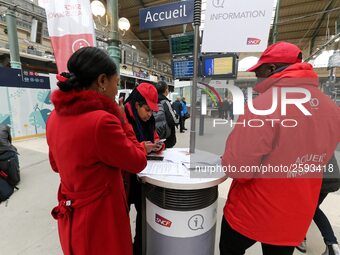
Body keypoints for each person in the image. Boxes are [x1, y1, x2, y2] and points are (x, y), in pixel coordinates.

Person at [220, 42, 340, 255]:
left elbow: (239, 168)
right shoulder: (331, 109)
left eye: (259, 70)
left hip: (251, 211)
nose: (257, 76)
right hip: (296, 214)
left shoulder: (264, 106)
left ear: (272, 69)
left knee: (230, 250)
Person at [46, 47, 147, 255]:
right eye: (116, 82)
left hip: (71, 217)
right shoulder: (102, 121)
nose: (117, 90)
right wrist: (122, 119)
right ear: (102, 81)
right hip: (101, 220)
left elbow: (56, 165)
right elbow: (138, 161)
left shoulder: (54, 117)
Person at [123, 82, 164, 255]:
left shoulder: (149, 121)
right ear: (137, 104)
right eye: (147, 110)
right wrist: (141, 147)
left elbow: (154, 136)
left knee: (143, 216)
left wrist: (157, 145)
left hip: (143, 177)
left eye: (152, 111)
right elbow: (122, 148)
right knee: (121, 220)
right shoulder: (121, 118)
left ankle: (138, 248)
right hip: (125, 179)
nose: (149, 115)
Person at [296, 155, 340, 255]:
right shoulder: (326, 139)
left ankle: (300, 239)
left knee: (307, 207)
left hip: (319, 179)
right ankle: (332, 245)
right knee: (312, 208)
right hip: (333, 176)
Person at [155, 80, 178, 148]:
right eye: (167, 88)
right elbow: (173, 120)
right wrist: (177, 116)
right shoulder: (165, 102)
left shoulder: (153, 100)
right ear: (166, 90)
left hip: (155, 136)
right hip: (166, 138)